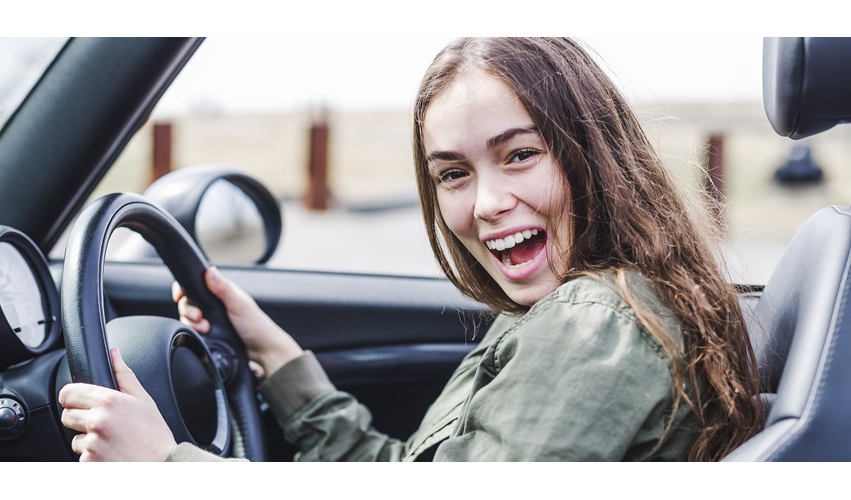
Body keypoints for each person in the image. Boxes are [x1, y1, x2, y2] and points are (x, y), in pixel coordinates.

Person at [58, 37, 765, 462]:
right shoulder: (563, 312)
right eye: (454, 174)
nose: (485, 203)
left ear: (593, 157)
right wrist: (276, 356)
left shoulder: (595, 323)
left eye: (519, 155)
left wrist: (167, 466)